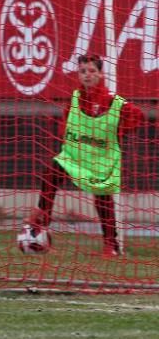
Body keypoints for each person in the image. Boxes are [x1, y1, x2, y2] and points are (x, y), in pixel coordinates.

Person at [20, 54, 145, 257]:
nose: (87, 75)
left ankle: (110, 245)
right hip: (77, 157)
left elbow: (137, 116)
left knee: (102, 199)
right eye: (83, 71)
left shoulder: (111, 99)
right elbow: (66, 123)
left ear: (101, 74)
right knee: (51, 171)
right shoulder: (76, 97)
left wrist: (119, 131)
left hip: (100, 160)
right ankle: (42, 220)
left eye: (92, 71)